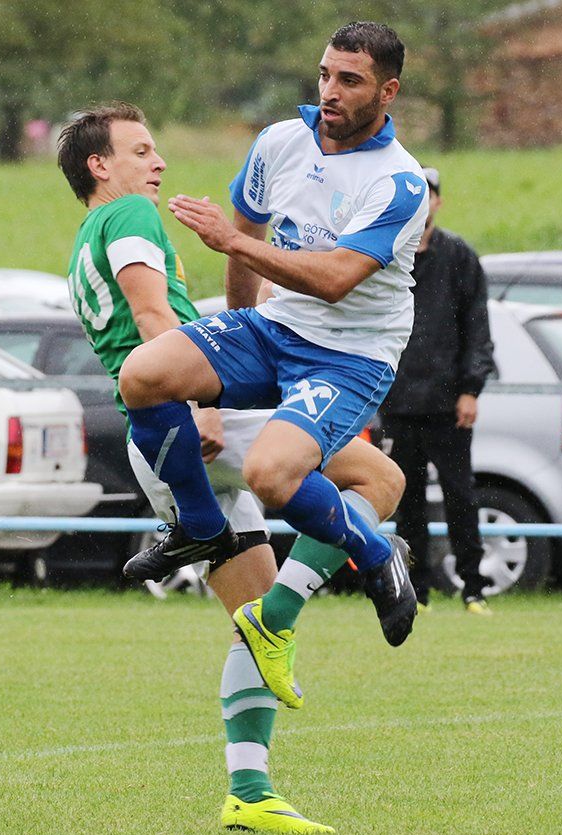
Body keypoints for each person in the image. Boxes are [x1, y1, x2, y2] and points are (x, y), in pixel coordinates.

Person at [57, 102, 407, 834]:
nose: (158, 163)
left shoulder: (85, 237)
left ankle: (249, 789)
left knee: (256, 621)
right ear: (100, 166)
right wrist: (202, 403)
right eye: (141, 151)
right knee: (381, 481)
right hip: (200, 418)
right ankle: (371, 558)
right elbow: (153, 317)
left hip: (156, 447)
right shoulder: (130, 215)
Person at [119, 21, 426, 718]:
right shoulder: (280, 141)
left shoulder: (398, 182)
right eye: (324, 74)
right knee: (143, 375)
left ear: (388, 91)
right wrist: (229, 343)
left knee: (271, 475)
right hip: (272, 327)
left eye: (349, 80)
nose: (330, 91)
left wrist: (231, 241)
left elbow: (335, 279)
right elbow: (248, 234)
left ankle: (375, 553)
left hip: (349, 354)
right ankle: (201, 526)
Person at [380, 167, 495, 615]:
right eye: (416, 195)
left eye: (429, 195)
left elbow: (478, 329)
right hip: (399, 401)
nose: (423, 203)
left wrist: (471, 389)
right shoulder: (388, 256)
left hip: (448, 404)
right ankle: (417, 590)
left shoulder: (460, 257)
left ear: (439, 202)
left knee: (460, 496)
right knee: (406, 501)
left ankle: (473, 588)